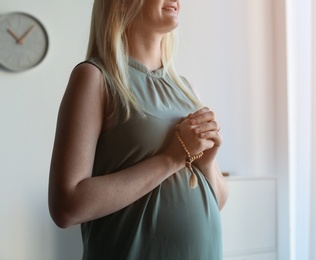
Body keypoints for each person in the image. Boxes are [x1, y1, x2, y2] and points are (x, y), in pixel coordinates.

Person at [48, 0, 228, 259]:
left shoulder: (187, 89)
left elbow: (216, 203)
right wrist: (173, 157)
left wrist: (207, 162)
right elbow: (67, 207)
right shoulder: (95, 78)